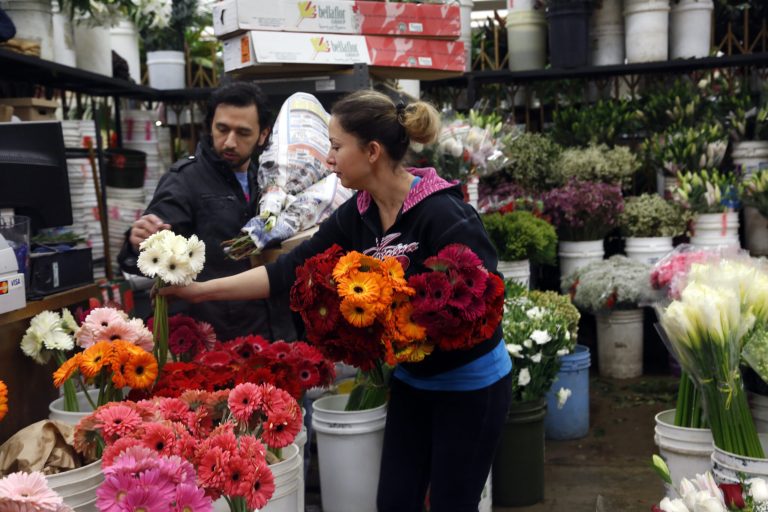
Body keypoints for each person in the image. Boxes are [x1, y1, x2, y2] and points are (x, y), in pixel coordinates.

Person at [159, 90, 512, 511]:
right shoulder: (358, 212)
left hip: (471, 387)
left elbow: (485, 303)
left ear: (373, 152)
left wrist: (407, 317)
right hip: (413, 384)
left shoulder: (443, 213)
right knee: (395, 502)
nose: (328, 159)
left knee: (453, 505)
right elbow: (286, 271)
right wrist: (199, 290)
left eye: (337, 146)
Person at [118, 81, 297, 343]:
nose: (230, 142)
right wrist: (139, 241)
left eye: (243, 133)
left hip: (278, 332)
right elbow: (151, 253)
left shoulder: (273, 179)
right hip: (219, 340)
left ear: (262, 135)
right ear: (210, 125)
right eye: (222, 129)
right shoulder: (184, 181)